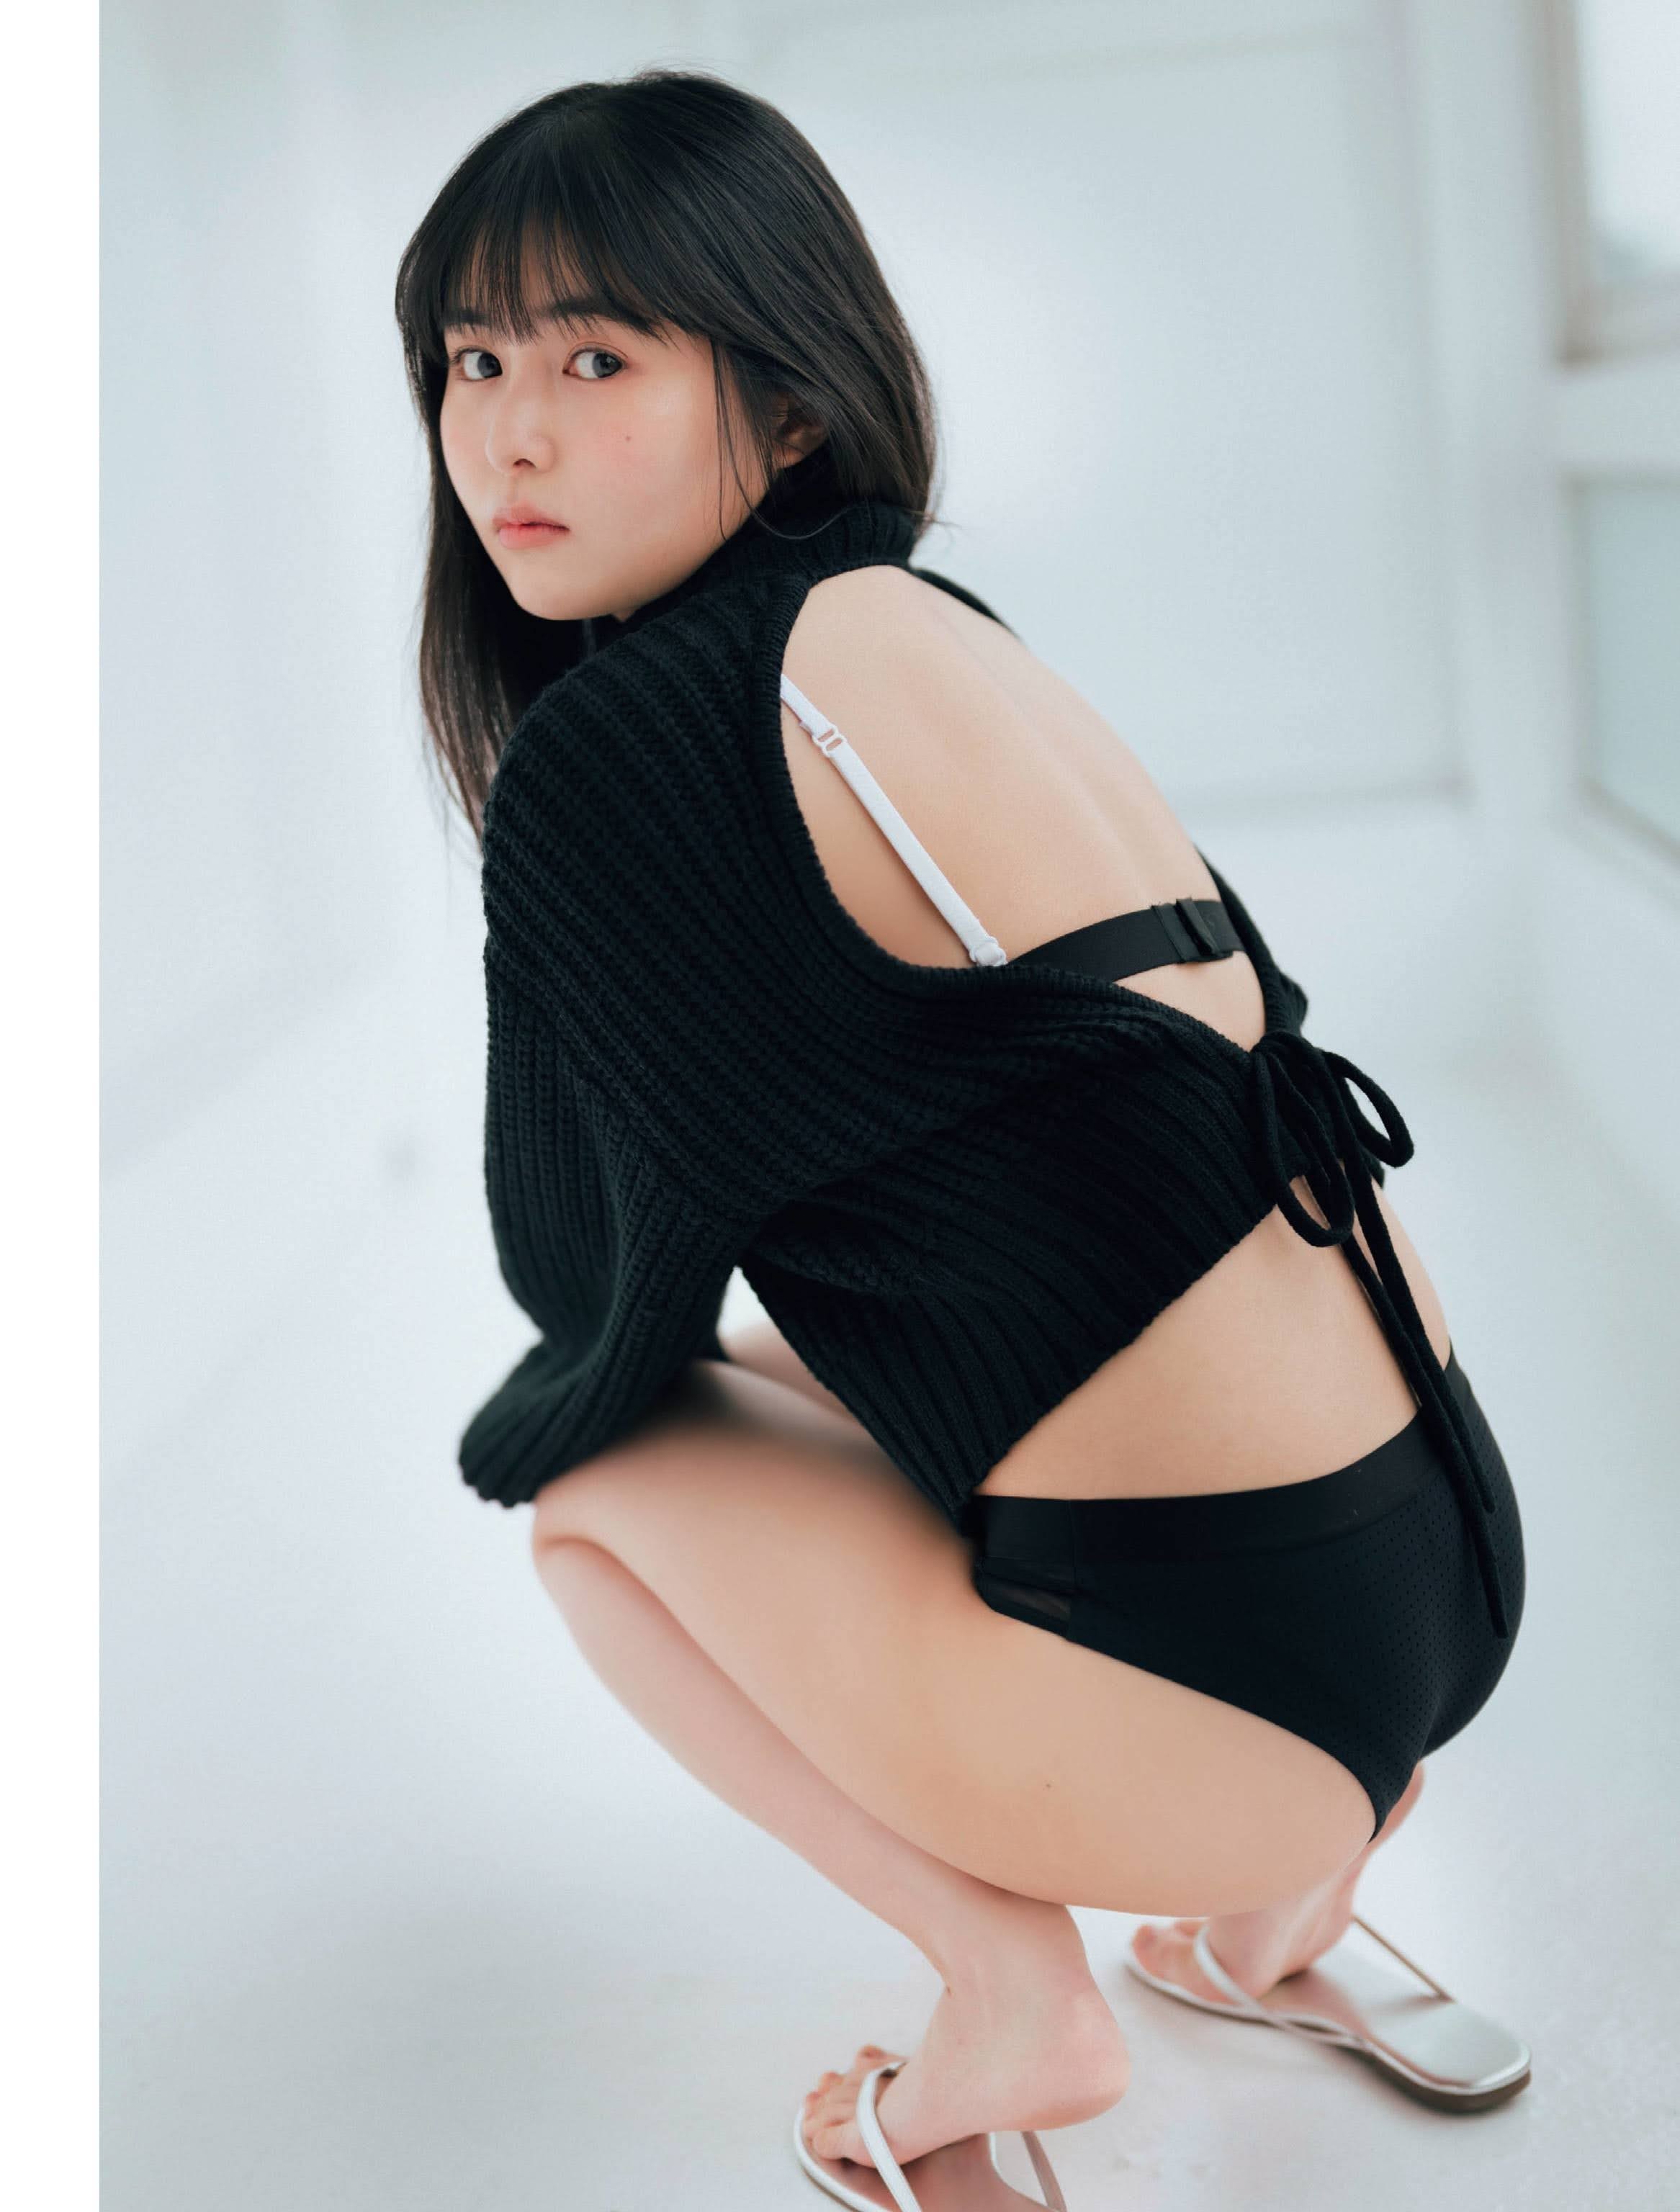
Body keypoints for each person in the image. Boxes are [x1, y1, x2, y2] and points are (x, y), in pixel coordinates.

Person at [395, 66, 1529, 2206]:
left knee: (593, 1482)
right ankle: (1278, 1925)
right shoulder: (922, 625)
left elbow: (587, 1282)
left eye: (595, 358)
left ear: (786, 407)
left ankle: (1014, 2001)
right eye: (472, 361)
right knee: (810, 1375)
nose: (507, 437)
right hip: (1440, 1586)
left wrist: (665, 1378)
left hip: (1227, 1720)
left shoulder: (630, 744)